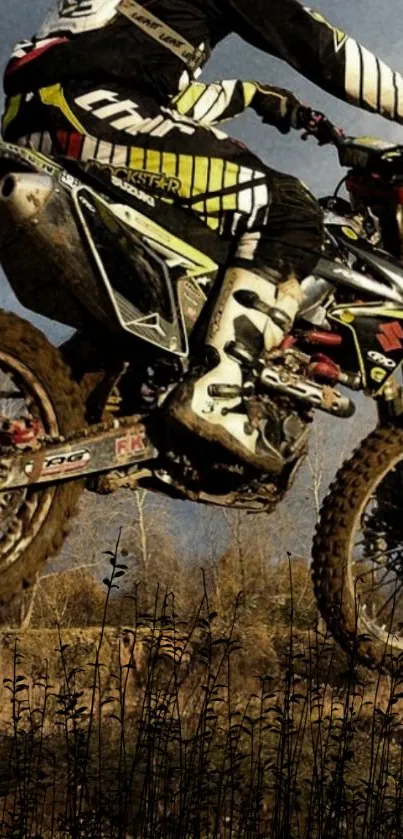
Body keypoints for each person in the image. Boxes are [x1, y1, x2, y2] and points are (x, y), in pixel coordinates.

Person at [3, 0, 403, 472]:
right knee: (288, 210)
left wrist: (252, 94)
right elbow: (321, 48)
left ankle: (69, 398)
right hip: (90, 106)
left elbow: (152, 76)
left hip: (42, 115)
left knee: (204, 253)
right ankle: (219, 388)